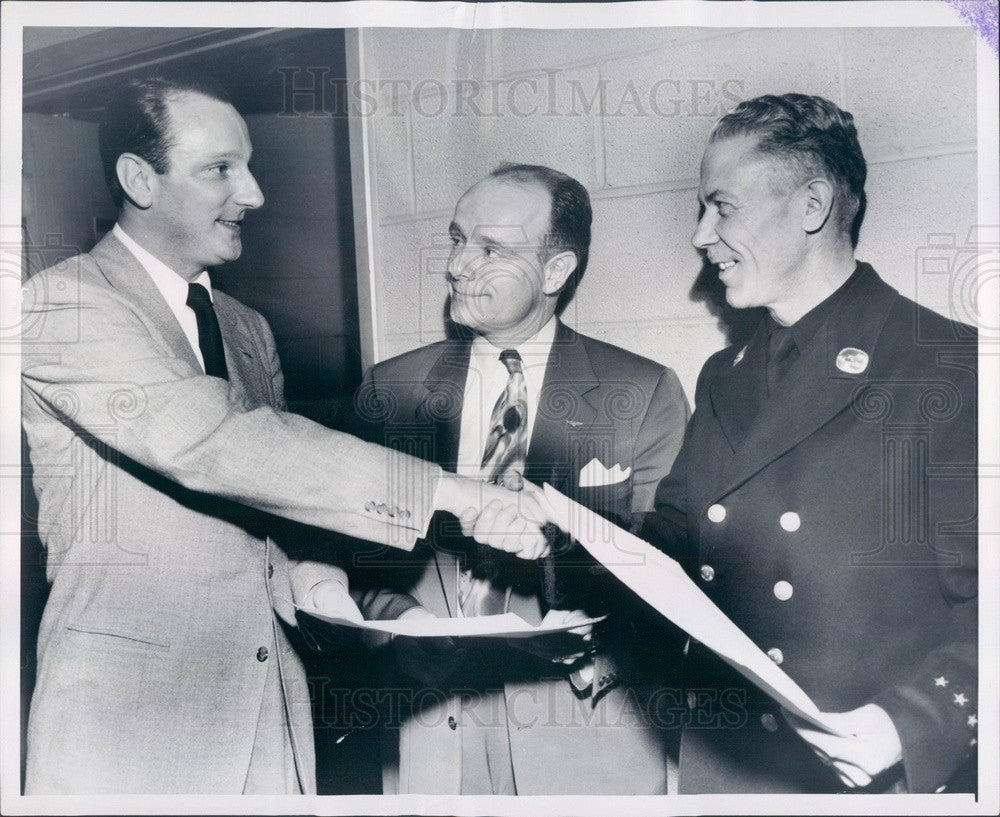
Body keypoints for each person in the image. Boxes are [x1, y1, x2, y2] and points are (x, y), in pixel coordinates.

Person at [19, 77, 550, 795]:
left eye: (250, 165)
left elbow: (267, 500)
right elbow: (212, 441)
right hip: (129, 721)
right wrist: (461, 495)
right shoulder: (61, 304)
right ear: (139, 179)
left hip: (268, 709)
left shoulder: (244, 326)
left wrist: (320, 583)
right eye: (221, 169)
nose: (255, 194)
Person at [641, 93, 978, 793]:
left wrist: (914, 721)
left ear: (812, 206)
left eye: (721, 206)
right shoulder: (722, 375)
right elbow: (674, 543)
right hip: (727, 769)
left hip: (860, 773)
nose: (702, 236)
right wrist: (558, 535)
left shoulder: (947, 366)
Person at [334, 164, 690, 794]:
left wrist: (590, 629)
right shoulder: (389, 390)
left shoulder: (642, 391)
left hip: (582, 723)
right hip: (431, 725)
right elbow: (348, 556)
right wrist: (394, 621)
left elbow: (671, 565)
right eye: (456, 239)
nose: (457, 265)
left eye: (491, 248)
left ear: (556, 271)